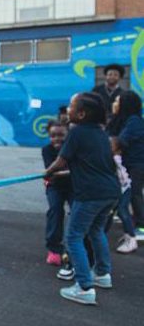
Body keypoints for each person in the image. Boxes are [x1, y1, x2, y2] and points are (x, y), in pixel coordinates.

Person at [45, 92, 119, 305]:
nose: (68, 109)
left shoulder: (77, 133)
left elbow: (61, 161)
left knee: (73, 237)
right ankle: (102, 274)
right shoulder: (101, 134)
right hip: (110, 192)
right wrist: (58, 174)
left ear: (81, 113)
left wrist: (47, 173)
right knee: (95, 231)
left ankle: (84, 287)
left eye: (71, 105)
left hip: (90, 194)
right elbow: (90, 167)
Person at [111, 91, 144, 243]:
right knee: (129, 194)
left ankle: (141, 226)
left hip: (136, 163)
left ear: (126, 105)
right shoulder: (122, 119)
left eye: (118, 101)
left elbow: (122, 140)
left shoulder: (134, 121)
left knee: (135, 193)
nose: (114, 104)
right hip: (128, 163)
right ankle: (130, 219)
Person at [41, 120, 70, 266]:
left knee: (77, 215)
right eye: (53, 135)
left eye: (61, 135)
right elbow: (50, 171)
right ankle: (54, 248)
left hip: (73, 186)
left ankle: (74, 247)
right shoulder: (47, 149)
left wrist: (55, 172)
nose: (57, 138)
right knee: (55, 211)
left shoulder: (72, 147)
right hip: (55, 186)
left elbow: (53, 171)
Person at [108, 137, 138, 253]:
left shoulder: (114, 159)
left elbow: (121, 178)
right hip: (120, 189)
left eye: (111, 145)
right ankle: (128, 235)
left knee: (122, 211)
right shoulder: (113, 158)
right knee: (114, 212)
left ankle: (131, 238)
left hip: (123, 189)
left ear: (118, 150)